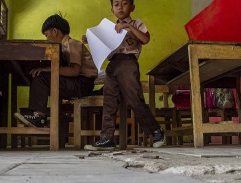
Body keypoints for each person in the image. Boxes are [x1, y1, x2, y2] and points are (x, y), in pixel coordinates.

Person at [86, 0, 164, 150]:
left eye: (124, 3)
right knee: (109, 101)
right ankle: (107, 138)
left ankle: (156, 131)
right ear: (112, 9)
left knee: (134, 98)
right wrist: (90, 40)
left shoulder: (136, 23)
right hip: (112, 65)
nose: (120, 7)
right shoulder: (109, 27)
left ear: (132, 7)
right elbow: (103, 46)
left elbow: (145, 39)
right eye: (116, 4)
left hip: (128, 62)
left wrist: (128, 26)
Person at [14, 14, 98, 146]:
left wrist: (48, 69)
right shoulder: (63, 47)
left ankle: (39, 116)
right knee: (40, 77)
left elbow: (74, 71)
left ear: (55, 31)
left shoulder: (72, 44)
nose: (46, 38)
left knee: (41, 76)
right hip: (77, 82)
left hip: (82, 84)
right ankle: (37, 115)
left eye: (47, 34)